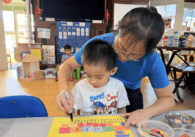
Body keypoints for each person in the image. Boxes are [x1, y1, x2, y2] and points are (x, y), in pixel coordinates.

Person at [56, 6, 175, 127]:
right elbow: (67, 66)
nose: (123, 58)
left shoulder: (151, 59)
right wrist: (64, 90)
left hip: (130, 96)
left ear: (148, 51)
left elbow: (168, 99)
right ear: (118, 30)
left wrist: (146, 112)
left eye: (134, 55)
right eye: (121, 48)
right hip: (97, 90)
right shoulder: (99, 44)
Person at [65, 40, 130, 116]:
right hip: (88, 126)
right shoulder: (80, 87)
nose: (93, 82)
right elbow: (70, 111)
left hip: (111, 125)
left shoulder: (118, 86)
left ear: (112, 71)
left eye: (99, 77)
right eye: (88, 75)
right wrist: (67, 107)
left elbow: (122, 109)